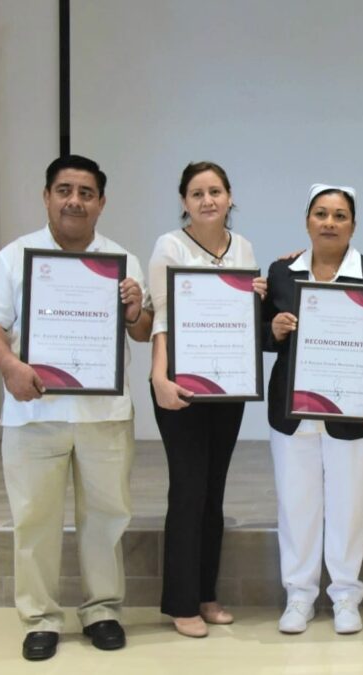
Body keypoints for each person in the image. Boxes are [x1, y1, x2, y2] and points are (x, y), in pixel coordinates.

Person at [0, 155, 152, 661]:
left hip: (105, 416)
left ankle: (103, 610)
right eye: (65, 190)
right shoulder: (15, 257)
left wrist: (136, 308)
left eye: (86, 192)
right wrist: (9, 365)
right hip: (35, 413)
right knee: (34, 520)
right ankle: (41, 618)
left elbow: (142, 329)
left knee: (107, 518)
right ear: (47, 196)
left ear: (101, 202)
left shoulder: (123, 261)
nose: (75, 200)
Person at [263, 184, 363, 635]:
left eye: (339, 215)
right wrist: (275, 329)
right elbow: (263, 340)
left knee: (349, 505)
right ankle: (299, 595)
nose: (329, 223)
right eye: (321, 214)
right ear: (307, 220)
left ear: (353, 226)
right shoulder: (283, 272)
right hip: (294, 411)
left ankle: (345, 595)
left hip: (355, 412)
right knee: (296, 505)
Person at [147, 161, 265, 638]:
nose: (207, 200)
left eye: (215, 191)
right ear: (183, 202)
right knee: (188, 490)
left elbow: (244, 318)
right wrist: (159, 377)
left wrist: (260, 295)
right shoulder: (169, 246)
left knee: (213, 492)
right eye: (197, 193)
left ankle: (207, 594)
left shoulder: (245, 248)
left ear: (230, 196)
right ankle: (181, 602)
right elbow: (161, 318)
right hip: (180, 386)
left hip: (227, 386)